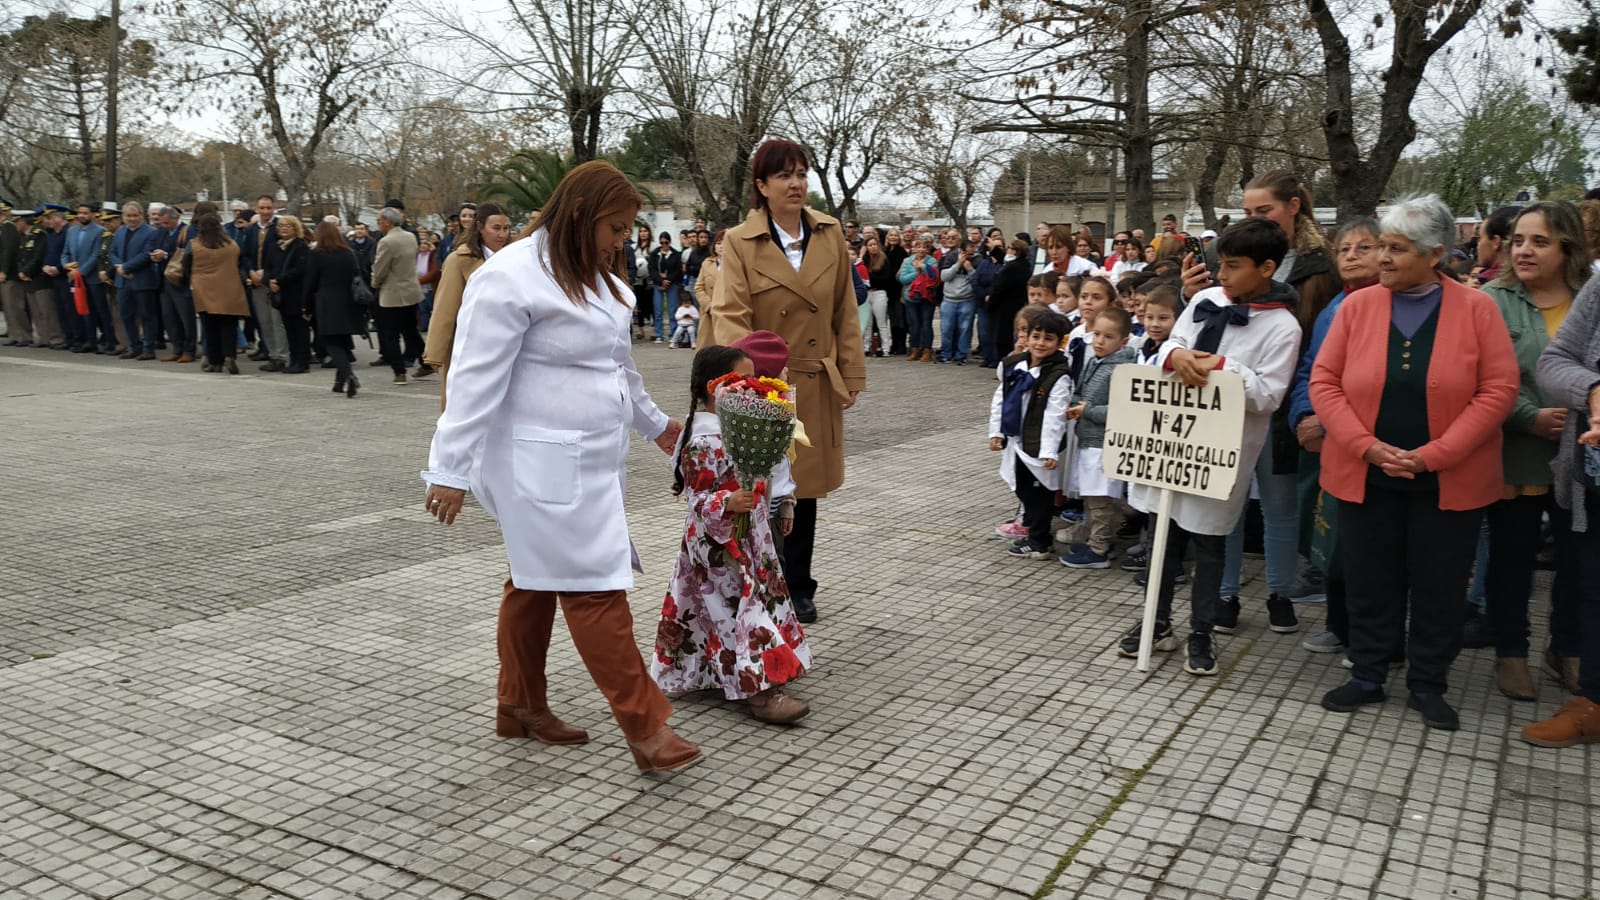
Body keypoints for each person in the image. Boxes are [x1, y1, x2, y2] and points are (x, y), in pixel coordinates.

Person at [422, 160, 699, 774]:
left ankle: (516, 704)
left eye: (627, 231)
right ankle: (646, 728)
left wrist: (656, 426)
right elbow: (472, 379)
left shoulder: (600, 280)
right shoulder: (510, 277)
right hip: (532, 463)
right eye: (616, 228)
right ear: (579, 215)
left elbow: (619, 367)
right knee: (592, 584)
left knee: (534, 578)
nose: (622, 241)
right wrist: (449, 468)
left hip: (592, 461)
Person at [1312, 195, 1518, 731]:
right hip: (1366, 472)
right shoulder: (1356, 307)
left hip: (1447, 479)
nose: (1381, 257)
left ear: (1436, 254)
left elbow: (1498, 391)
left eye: (1395, 248)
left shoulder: (1478, 309)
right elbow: (1324, 383)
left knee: (1439, 583)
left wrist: (1434, 456)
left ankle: (1428, 681)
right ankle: (1368, 672)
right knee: (1369, 577)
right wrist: (1366, 445)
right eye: (1381, 244)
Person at [1118, 217, 1303, 676]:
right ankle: (1155, 622)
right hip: (1169, 440)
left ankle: (1201, 630)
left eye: (1234, 267)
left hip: (1219, 454)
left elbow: (1268, 394)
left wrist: (1222, 366)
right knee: (1162, 535)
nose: (1221, 275)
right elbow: (1168, 345)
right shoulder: (1203, 300)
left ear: (1266, 268)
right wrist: (1175, 355)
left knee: (1209, 543)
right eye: (1220, 264)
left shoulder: (1283, 327)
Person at [708, 138, 868, 625]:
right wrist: (749, 382)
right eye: (783, 175)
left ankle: (798, 584)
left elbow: (845, 309)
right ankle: (758, 578)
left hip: (816, 380)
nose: (796, 183)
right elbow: (729, 314)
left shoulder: (829, 232)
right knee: (760, 485)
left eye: (801, 173)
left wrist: (851, 371)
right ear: (762, 185)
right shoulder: (739, 241)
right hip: (765, 383)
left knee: (805, 486)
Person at [650, 344, 814, 723]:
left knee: (722, 607)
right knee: (736, 610)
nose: (750, 387)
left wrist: (774, 501)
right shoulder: (702, 441)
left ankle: (714, 671)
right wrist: (727, 502)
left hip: (747, 535)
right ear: (714, 387)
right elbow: (697, 498)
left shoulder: (739, 431)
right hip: (717, 541)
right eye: (741, 380)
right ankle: (759, 692)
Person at [1481, 202, 1591, 700]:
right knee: (1512, 559)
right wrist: (1530, 416)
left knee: (1578, 562)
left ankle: (1565, 650)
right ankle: (1512, 652)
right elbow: (1482, 378)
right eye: (1518, 240)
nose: (1523, 250)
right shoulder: (1491, 301)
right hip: (1515, 455)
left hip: (1580, 460)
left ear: (1567, 247)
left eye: (1539, 241)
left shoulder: (1589, 298)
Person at [1288, 217, 1383, 659]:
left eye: (1362, 248)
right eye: (1343, 249)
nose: (1350, 256)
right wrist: (1305, 414)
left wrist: (1333, 423)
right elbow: (1312, 368)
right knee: (1333, 536)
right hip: (1325, 446)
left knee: (1372, 545)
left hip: (1369, 442)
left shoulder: (1391, 305)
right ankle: (1339, 623)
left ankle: (1375, 636)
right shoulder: (1332, 308)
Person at [1525, 265, 1600, 746]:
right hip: (1593, 476)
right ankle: (1592, 703)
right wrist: (1592, 390)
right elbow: (1554, 362)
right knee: (1594, 590)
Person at [990, 306, 1074, 559]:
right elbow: (1000, 398)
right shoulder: (1014, 364)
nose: (1040, 343)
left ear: (1060, 343)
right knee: (1022, 487)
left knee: (1040, 492)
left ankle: (1040, 540)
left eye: (1048, 339)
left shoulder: (1058, 375)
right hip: (1016, 438)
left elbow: (1054, 415)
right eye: (1036, 336)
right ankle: (1030, 528)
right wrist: (996, 432)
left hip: (1037, 442)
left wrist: (1049, 450)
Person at [1062, 307, 1137, 568]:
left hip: (1105, 443)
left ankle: (1099, 549)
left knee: (1101, 498)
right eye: (1096, 335)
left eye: (1108, 337)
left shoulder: (1123, 368)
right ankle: (1099, 541)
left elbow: (1122, 407)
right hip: (1088, 438)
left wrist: (1088, 411)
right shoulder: (1095, 362)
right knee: (1092, 496)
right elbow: (1080, 390)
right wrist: (1074, 404)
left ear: (1123, 341)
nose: (1099, 341)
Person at [423, 201, 512, 407]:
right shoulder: (459, 260)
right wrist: (435, 353)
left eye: (506, 228)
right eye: (496, 228)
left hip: (507, 342)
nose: (502, 234)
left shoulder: (516, 258)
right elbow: (445, 307)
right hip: (471, 344)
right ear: (480, 228)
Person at [183, 211, 251, 375]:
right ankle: (229, 355)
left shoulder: (194, 245)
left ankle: (215, 361)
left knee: (209, 326)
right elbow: (240, 262)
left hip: (203, 289)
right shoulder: (232, 245)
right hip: (229, 287)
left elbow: (186, 265)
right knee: (229, 324)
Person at [302, 220, 364, 396]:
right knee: (343, 341)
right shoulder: (348, 253)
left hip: (326, 301)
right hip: (348, 301)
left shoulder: (317, 255)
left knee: (331, 342)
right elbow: (357, 275)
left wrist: (306, 307)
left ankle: (349, 375)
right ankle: (339, 381)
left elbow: (310, 283)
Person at [371, 206, 424, 385]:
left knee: (390, 335)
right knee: (411, 331)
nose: (378, 225)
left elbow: (380, 269)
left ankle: (399, 371)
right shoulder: (410, 237)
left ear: (387, 221)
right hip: (411, 290)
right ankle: (427, 362)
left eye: (379, 221)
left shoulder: (387, 242)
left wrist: (375, 283)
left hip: (393, 293)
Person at [238, 195, 289, 369]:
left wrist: (266, 274)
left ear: (273, 208)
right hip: (256, 282)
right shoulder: (252, 230)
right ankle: (272, 354)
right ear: (257, 209)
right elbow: (245, 256)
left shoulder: (279, 228)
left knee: (277, 321)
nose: (265, 211)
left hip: (273, 281)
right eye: (262, 208)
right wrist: (250, 273)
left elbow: (282, 256)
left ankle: (283, 356)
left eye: (268, 208)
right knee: (264, 321)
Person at [109, 202, 162, 359]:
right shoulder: (120, 232)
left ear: (141, 216)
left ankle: (148, 348)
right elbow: (113, 252)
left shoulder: (151, 232)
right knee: (125, 314)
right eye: (128, 216)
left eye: (135, 215)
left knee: (147, 315)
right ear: (123, 217)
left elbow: (147, 254)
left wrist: (126, 267)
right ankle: (134, 345)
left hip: (143, 279)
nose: (132, 219)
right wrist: (119, 267)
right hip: (123, 282)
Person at [267, 216, 311, 373]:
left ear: (295, 228)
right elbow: (269, 266)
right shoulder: (275, 246)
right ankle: (294, 359)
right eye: (281, 226)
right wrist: (270, 281)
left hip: (296, 293)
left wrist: (279, 280)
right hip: (281, 294)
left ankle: (303, 361)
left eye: (288, 226)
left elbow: (301, 269)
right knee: (289, 328)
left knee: (300, 328)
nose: (283, 229)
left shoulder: (300, 246)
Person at [939, 239, 978, 364]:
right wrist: (957, 264)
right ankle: (946, 354)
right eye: (968, 252)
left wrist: (970, 269)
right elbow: (944, 277)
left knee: (965, 330)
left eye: (973, 251)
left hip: (967, 300)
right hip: (949, 300)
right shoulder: (950, 257)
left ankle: (962, 355)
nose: (971, 254)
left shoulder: (979, 260)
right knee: (946, 329)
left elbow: (978, 281)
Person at [899, 237, 939, 361]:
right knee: (914, 325)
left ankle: (927, 350)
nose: (921, 249)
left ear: (928, 249)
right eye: (918, 247)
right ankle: (914, 349)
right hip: (910, 297)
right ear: (914, 248)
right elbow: (903, 279)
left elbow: (934, 278)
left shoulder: (932, 261)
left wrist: (924, 267)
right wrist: (917, 272)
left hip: (927, 297)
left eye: (924, 247)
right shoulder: (907, 261)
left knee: (926, 324)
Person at [859, 233, 893, 357]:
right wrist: (861, 256)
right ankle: (866, 347)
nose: (873, 247)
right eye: (870, 245)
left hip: (879, 292)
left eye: (874, 244)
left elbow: (886, 278)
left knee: (881, 322)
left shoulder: (884, 259)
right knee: (867, 322)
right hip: (867, 293)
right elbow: (859, 274)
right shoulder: (865, 260)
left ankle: (885, 348)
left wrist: (870, 277)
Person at [648, 232, 682, 343]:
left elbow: (678, 270)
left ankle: (673, 333)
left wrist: (667, 280)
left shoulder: (676, 254)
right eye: (662, 242)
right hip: (658, 284)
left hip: (672, 283)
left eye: (666, 242)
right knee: (658, 310)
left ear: (669, 242)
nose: (664, 245)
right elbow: (652, 269)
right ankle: (659, 334)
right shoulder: (654, 254)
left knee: (672, 310)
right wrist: (660, 281)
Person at [693, 229, 724, 345]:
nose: (721, 246)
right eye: (718, 243)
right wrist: (708, 306)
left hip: (728, 312)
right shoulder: (707, 263)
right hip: (709, 313)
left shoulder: (737, 264)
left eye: (724, 243)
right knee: (708, 348)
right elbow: (699, 287)